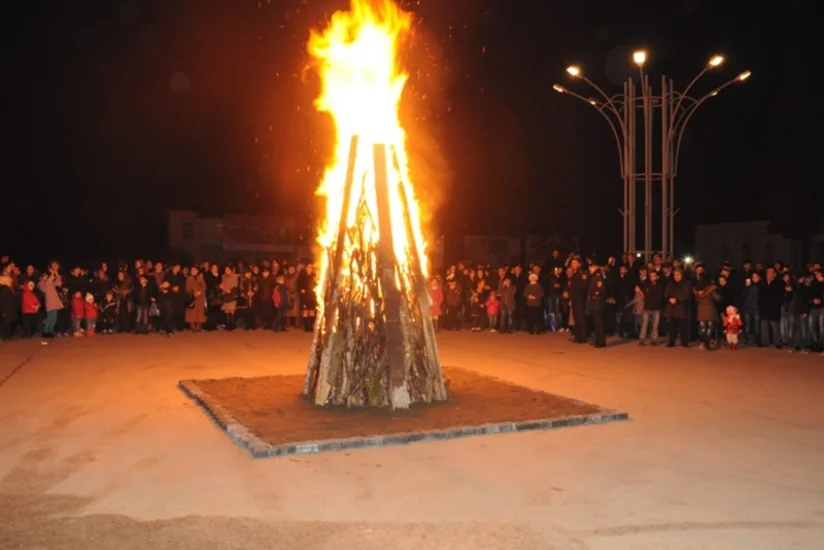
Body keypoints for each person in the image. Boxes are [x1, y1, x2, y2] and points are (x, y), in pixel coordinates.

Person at [664, 269, 691, 348]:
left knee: (683, 327)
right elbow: (666, 294)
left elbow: (686, 295)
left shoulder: (686, 283)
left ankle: (684, 342)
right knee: (672, 327)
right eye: (675, 275)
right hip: (672, 309)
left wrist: (677, 300)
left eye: (678, 275)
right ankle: (672, 342)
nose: (677, 276)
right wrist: (669, 299)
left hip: (682, 308)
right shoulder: (670, 284)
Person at [567, 257, 588, 343]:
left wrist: (577, 296)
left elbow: (583, 287)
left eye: (575, 263)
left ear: (579, 264)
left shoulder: (581, 273)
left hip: (580, 299)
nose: (573, 265)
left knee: (581, 318)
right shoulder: (574, 274)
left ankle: (582, 337)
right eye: (572, 263)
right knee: (576, 318)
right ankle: (578, 336)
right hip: (575, 299)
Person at [587, 264, 607, 347]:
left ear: (596, 267)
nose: (590, 269)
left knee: (599, 323)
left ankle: (601, 342)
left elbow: (601, 288)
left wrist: (596, 294)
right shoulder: (593, 276)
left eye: (591, 267)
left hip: (597, 303)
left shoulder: (598, 276)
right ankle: (598, 340)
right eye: (589, 267)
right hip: (595, 303)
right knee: (596, 323)